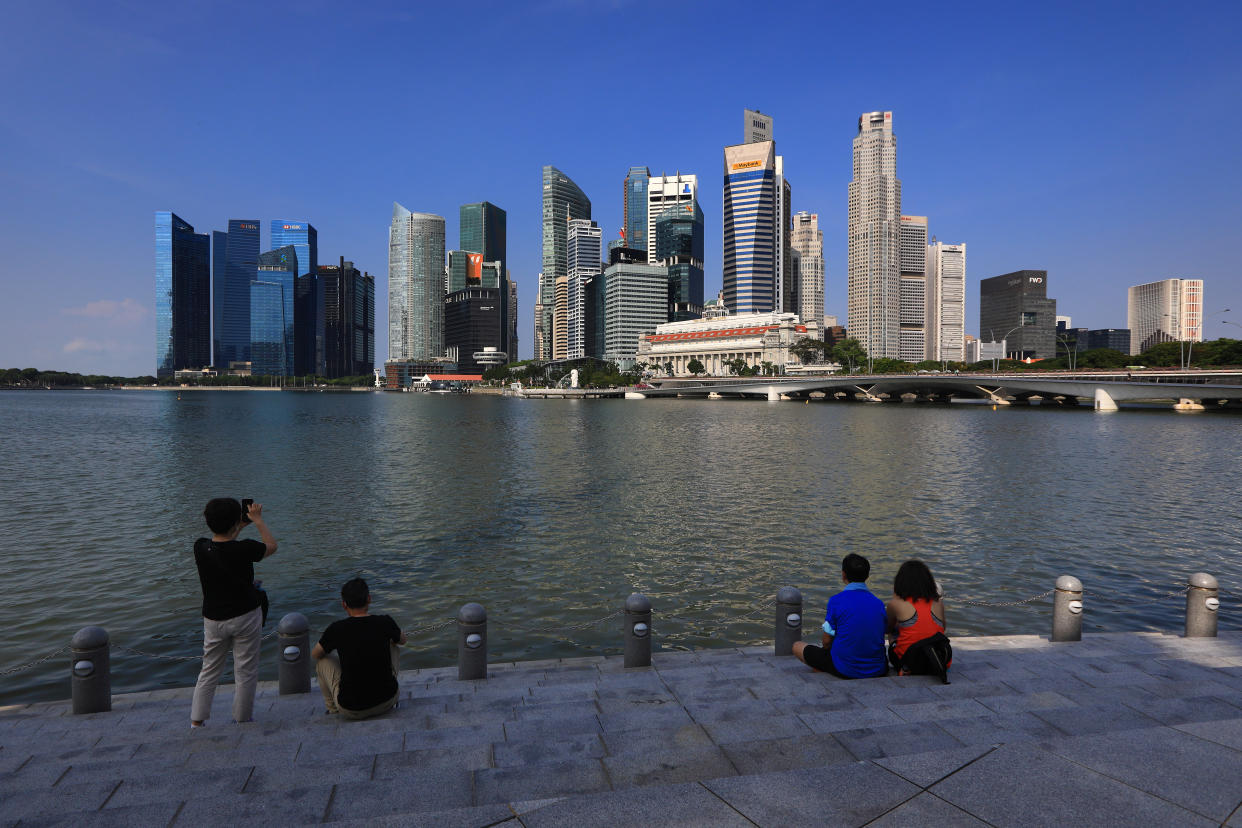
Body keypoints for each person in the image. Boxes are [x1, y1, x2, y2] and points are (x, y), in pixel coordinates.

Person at [190, 498, 278, 728]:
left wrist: (237, 527)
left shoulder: (200, 547)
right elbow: (271, 546)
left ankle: (197, 721)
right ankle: (242, 719)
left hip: (213, 618)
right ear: (234, 522)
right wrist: (258, 521)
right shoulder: (246, 548)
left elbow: (224, 545)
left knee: (209, 669)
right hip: (245, 614)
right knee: (246, 670)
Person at [312, 578, 407, 720]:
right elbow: (403, 640)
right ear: (369, 599)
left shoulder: (337, 629)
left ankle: (333, 710)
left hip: (351, 709)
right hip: (388, 700)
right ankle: (385, 687)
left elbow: (316, 654)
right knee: (393, 645)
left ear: (344, 605)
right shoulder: (384, 621)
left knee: (322, 661)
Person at [792, 553, 888, 679]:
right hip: (878, 668)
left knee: (797, 646)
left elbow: (826, 642)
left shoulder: (836, 601)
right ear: (867, 576)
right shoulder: (878, 603)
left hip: (847, 669)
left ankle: (825, 671)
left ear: (843, 574)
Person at [886, 559, 952, 681]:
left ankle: (904, 666)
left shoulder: (895, 603)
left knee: (893, 631)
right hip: (939, 660)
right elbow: (943, 628)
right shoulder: (938, 602)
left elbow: (886, 629)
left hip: (910, 662)